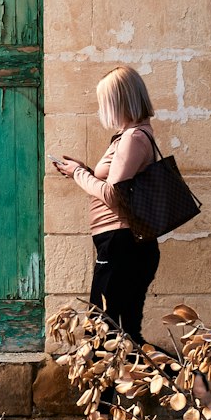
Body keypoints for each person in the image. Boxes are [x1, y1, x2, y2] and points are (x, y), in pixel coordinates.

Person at [53, 64, 159, 348]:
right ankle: (196, 386)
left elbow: (114, 195)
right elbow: (116, 185)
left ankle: (198, 384)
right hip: (122, 244)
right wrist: (82, 170)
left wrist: (79, 174)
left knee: (101, 334)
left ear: (120, 101)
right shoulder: (130, 136)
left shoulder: (134, 138)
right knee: (123, 337)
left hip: (122, 244)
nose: (102, 110)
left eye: (105, 102)